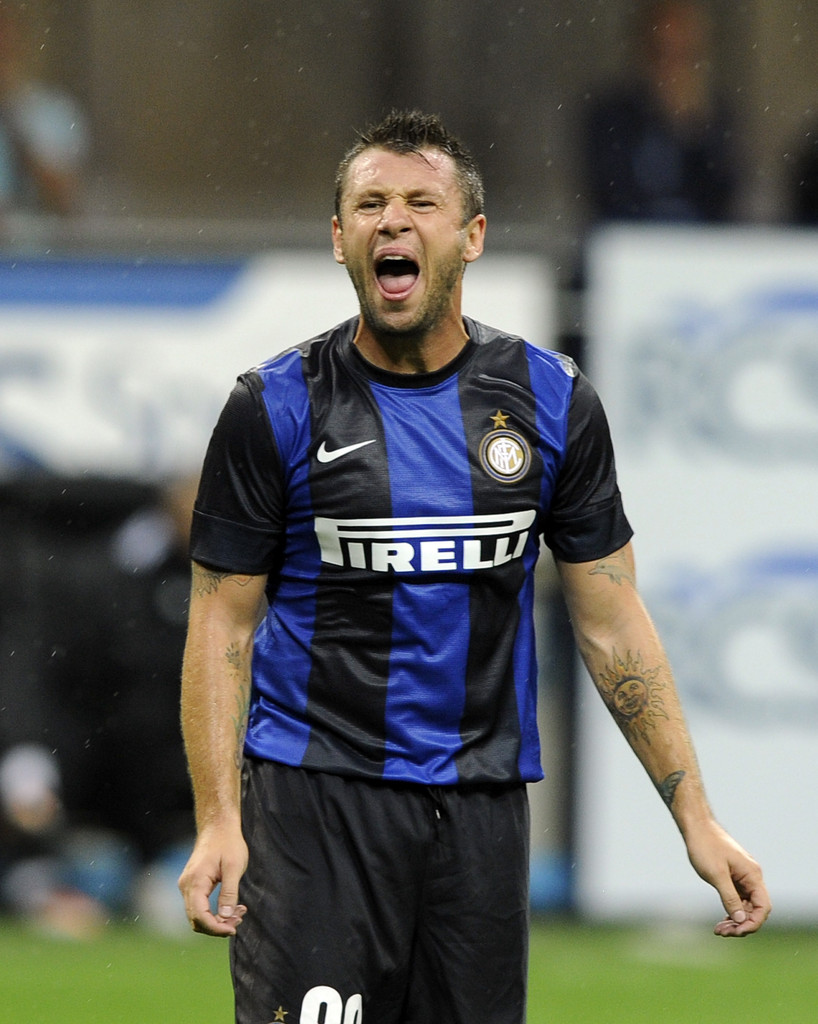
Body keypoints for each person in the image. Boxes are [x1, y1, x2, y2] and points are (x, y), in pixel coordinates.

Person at [178, 109, 770, 1024]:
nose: (393, 220)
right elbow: (223, 621)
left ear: (473, 235)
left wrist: (695, 817)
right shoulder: (275, 406)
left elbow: (612, 622)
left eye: (422, 202)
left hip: (480, 817)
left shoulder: (551, 400)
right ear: (339, 238)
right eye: (369, 204)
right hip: (316, 807)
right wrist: (220, 819)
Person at [583, 0, 739, 223]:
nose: (671, 67)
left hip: (698, 241)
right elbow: (611, 195)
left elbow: (722, 200)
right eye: (661, 52)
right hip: (633, 239)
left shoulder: (715, 116)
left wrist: (692, 128)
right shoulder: (611, 116)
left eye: (682, 54)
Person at [0, 10, 89, 215]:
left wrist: (13, 114)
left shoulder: (53, 111)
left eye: (5, 49)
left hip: (36, 232)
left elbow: (66, 197)